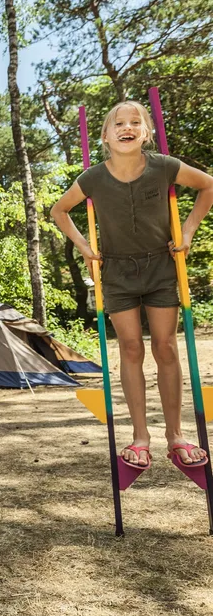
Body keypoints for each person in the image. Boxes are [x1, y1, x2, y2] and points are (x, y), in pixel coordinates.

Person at [51, 100, 213, 469]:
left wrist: (187, 231)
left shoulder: (164, 167)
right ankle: (141, 437)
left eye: (134, 122)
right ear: (106, 136)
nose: (127, 127)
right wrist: (83, 246)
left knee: (166, 347)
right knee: (130, 348)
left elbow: (208, 187)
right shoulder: (93, 177)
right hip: (117, 273)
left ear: (146, 132)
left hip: (161, 267)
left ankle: (176, 436)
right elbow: (58, 211)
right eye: (118, 123)